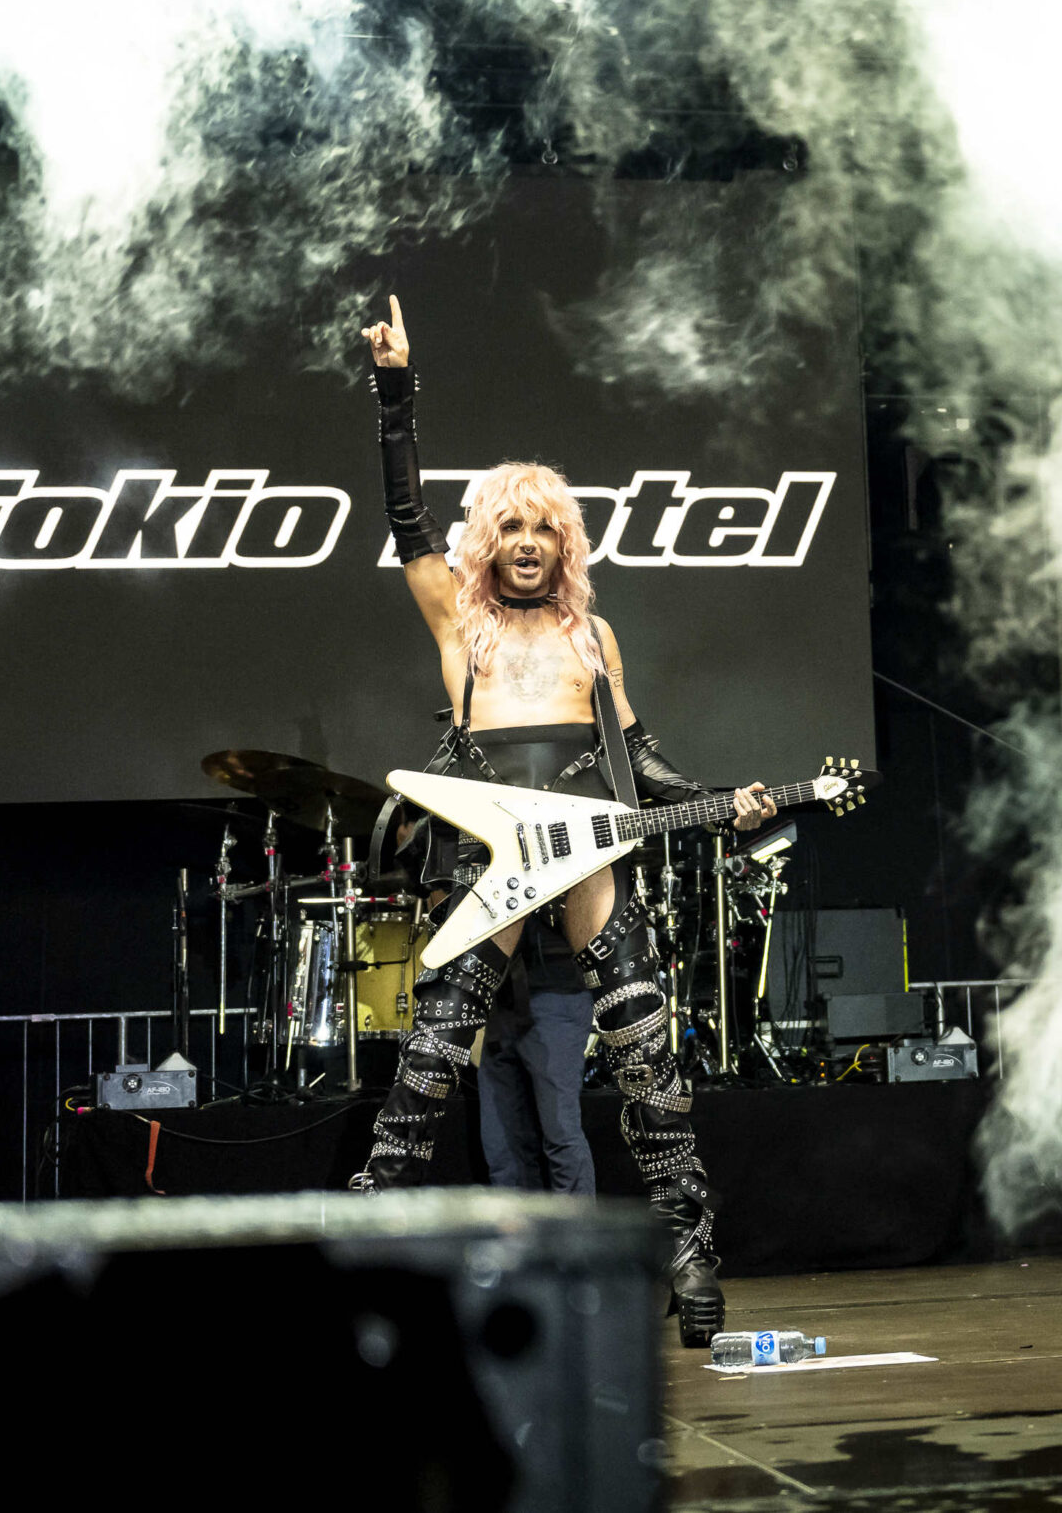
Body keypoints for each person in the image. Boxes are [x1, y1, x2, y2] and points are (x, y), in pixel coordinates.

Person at [351, 294, 774, 1348]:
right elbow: (406, 518)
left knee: (645, 1058)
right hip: (484, 850)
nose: (529, 542)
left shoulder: (593, 636)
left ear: (566, 543)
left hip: (585, 858)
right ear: (485, 543)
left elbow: (645, 762)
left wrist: (727, 801)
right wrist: (394, 391)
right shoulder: (462, 620)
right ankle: (358, 1250)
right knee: (430, 1060)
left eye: (545, 527)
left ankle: (692, 1255)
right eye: (511, 526)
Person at [478, 916, 597, 1196]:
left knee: (560, 1133)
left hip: (555, 991)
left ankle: (577, 1235)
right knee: (502, 1143)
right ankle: (519, 1235)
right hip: (503, 996)